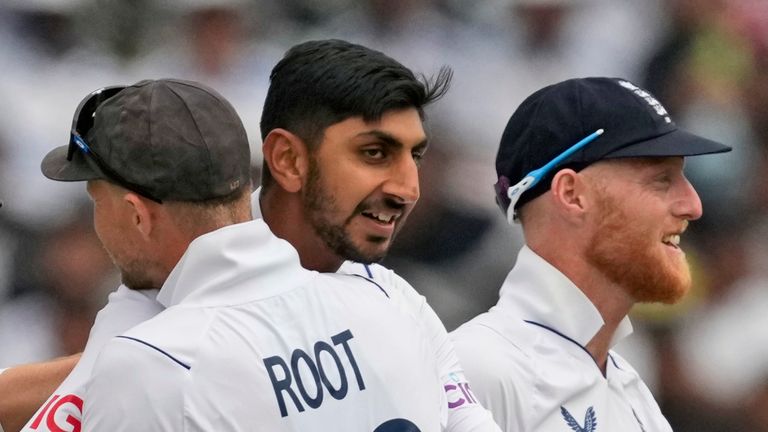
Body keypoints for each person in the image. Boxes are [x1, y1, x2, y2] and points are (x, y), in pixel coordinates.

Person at [6, 40, 499, 431]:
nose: (407, 189)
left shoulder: (149, 363)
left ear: (136, 214)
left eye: (96, 200)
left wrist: (120, 345)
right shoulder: (388, 296)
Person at [450, 77, 732, 431]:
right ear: (571, 194)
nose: (693, 205)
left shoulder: (631, 388)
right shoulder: (477, 367)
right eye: (661, 179)